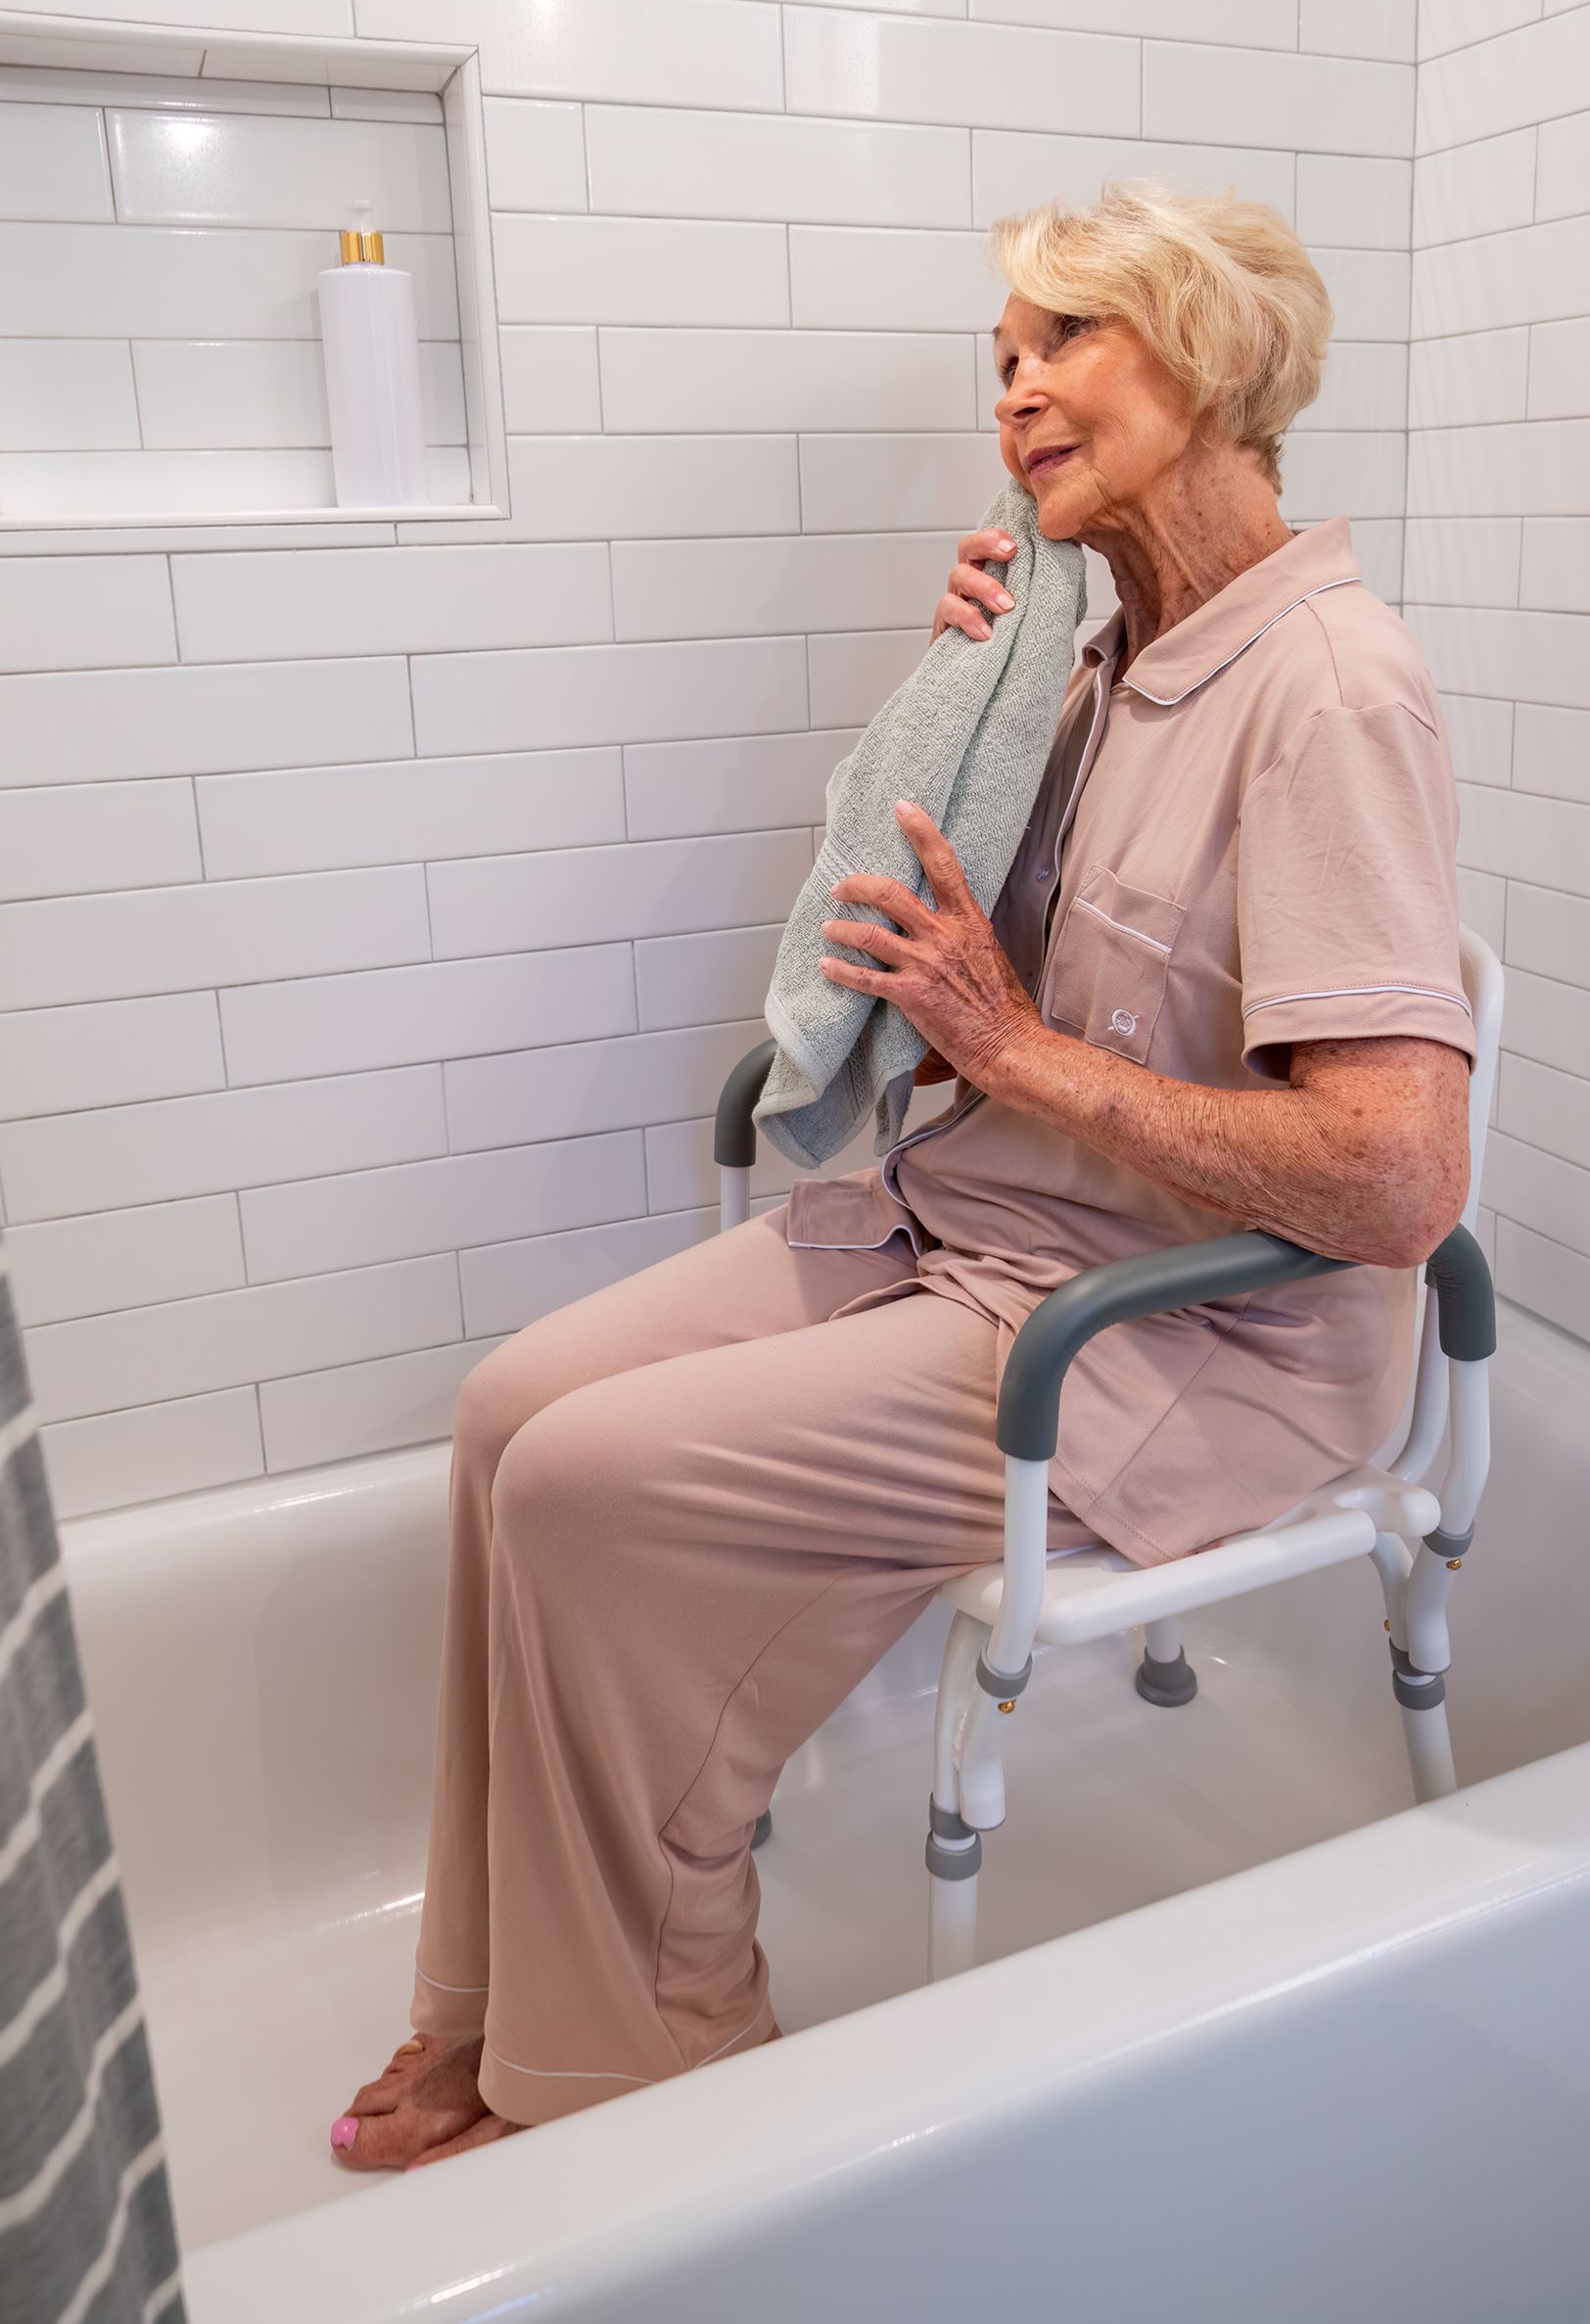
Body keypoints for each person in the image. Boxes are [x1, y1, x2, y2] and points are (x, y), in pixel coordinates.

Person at [331, 183, 1473, 2171]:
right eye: (1004, 358)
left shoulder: (1330, 687)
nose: (1019, 391)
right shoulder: (1113, 656)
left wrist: (1019, 1053)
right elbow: (947, 945)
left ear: (1206, 361)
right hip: (984, 1230)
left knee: (600, 1489)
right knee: (511, 1411)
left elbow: (1395, 1184)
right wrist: (978, 690)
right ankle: (492, 1996)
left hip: (1186, 1338)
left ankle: (638, 2065)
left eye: (1068, 342)